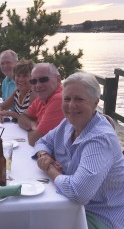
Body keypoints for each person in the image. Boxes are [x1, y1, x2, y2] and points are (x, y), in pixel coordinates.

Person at [34, 72, 124, 229]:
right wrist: (44, 155)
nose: (71, 105)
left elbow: (78, 192)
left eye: (79, 99)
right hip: (69, 206)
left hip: (99, 216)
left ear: (95, 103)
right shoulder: (68, 124)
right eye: (67, 99)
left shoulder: (100, 139)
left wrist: (49, 168)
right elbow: (42, 141)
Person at [18, 63, 64, 146]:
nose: (38, 85)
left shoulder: (59, 99)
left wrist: (32, 131)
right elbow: (22, 118)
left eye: (43, 80)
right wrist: (33, 125)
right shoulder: (42, 97)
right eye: (33, 81)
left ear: (58, 79)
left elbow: (34, 140)